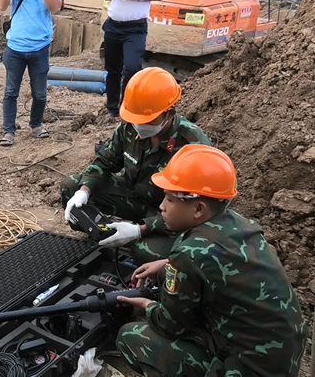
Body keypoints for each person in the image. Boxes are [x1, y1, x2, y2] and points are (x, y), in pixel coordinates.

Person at [116, 144, 307, 377]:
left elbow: (169, 325)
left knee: (131, 337)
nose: (161, 206)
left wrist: (148, 307)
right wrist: (166, 264)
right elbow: (213, 263)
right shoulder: (238, 224)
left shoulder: (188, 256)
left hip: (251, 368)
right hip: (284, 353)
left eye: (170, 199)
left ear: (198, 208)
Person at [61, 67, 211, 264]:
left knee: (145, 252)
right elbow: (104, 162)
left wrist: (140, 230)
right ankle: (102, 235)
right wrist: (84, 191)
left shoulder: (192, 146)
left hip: (169, 213)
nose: (138, 126)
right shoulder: (129, 128)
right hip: (133, 198)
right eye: (134, 119)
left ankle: (135, 239)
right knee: (71, 187)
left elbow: (195, 212)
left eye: (146, 120)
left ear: (170, 113)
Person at [0, 0, 63, 146]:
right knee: (10, 92)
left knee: (40, 93)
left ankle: (36, 125)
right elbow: (2, 5)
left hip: (39, 46)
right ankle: (8, 131)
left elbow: (55, 8)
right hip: (15, 45)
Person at [102, 0, 170, 118]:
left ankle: (127, 108)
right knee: (112, 70)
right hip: (112, 25)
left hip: (135, 28)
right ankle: (112, 109)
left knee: (132, 68)